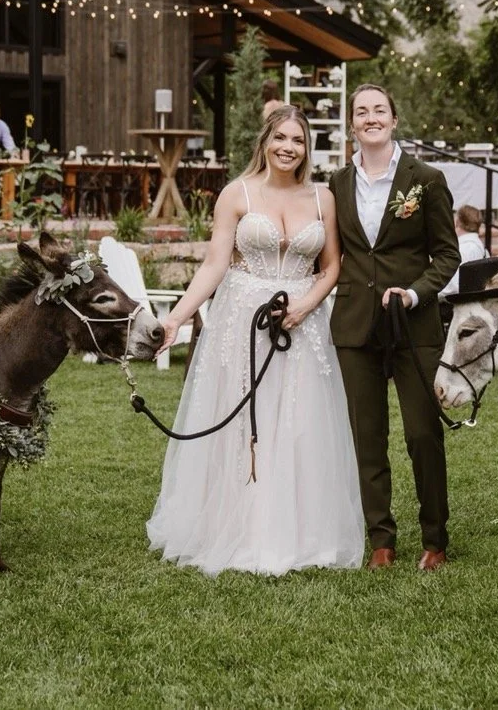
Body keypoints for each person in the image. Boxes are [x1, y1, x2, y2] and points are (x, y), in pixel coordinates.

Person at [147, 105, 363, 575]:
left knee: (302, 422)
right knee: (244, 420)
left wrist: (305, 308)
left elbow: (332, 267)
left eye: (298, 141)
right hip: (240, 323)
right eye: (281, 138)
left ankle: (301, 533)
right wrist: (178, 320)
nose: (289, 148)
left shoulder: (323, 198)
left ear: (307, 149)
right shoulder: (236, 193)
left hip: (302, 326)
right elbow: (214, 265)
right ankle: (234, 528)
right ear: (265, 141)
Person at [328, 84, 461, 572]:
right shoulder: (337, 182)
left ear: (394, 119)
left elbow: (447, 254)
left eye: (378, 110)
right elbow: (334, 255)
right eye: (361, 112)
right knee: (368, 437)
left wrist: (415, 292)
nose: (370, 118)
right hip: (354, 326)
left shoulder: (426, 179)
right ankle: (381, 540)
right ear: (352, 125)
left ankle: (435, 539)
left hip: (414, 324)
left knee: (423, 433)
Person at [439, 205, 488, 300]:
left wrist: (424, 295)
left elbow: (453, 287)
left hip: (455, 309)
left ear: (457, 222)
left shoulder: (463, 249)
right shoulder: (479, 246)